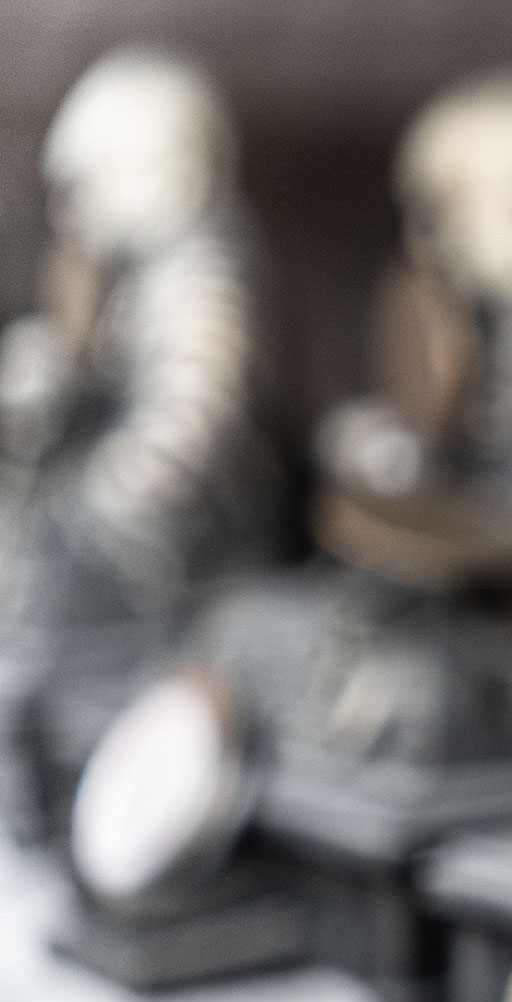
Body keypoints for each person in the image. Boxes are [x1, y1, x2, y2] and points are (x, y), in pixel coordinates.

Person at [194, 70, 512, 767]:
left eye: (443, 214)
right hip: (472, 618)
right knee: (250, 626)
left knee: (393, 699)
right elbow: (454, 441)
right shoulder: (496, 316)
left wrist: (423, 512)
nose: (425, 245)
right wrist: (397, 454)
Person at [0, 47, 280, 832]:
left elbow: (177, 448)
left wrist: (70, 518)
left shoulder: (202, 280)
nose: (70, 212)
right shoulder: (146, 275)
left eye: (87, 185)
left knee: (28, 617)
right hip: (135, 547)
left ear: (163, 171)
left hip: (183, 562)